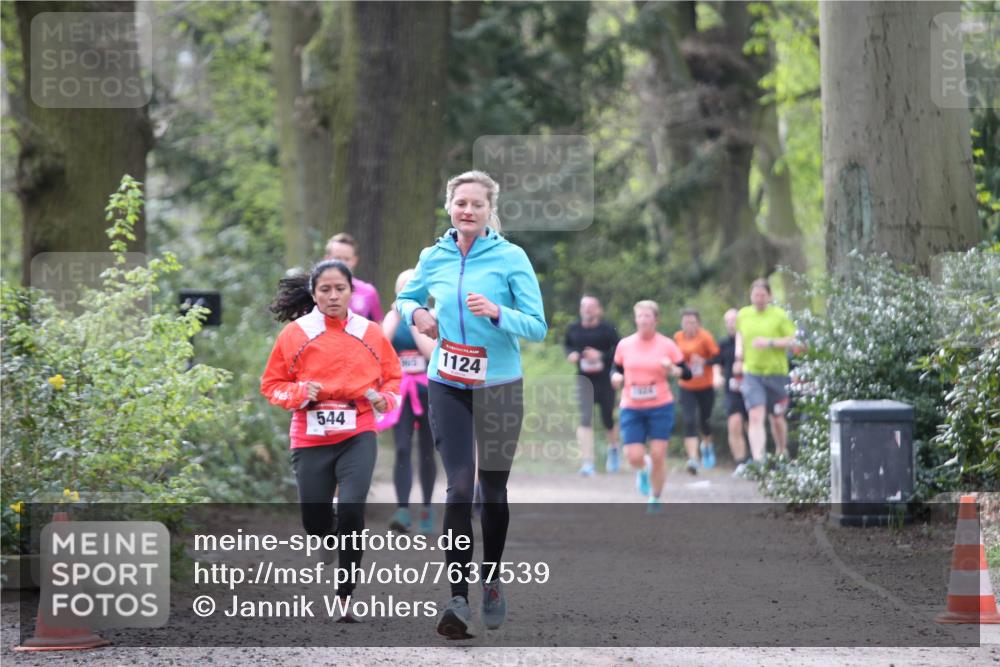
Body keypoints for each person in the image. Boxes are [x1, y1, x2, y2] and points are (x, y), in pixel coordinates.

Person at [396, 170, 546, 639]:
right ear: (449, 206)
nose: (468, 210)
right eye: (461, 202)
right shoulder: (433, 256)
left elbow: (538, 325)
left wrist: (498, 313)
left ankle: (492, 580)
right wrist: (417, 312)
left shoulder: (511, 257)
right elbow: (405, 297)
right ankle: (457, 599)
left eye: (477, 204)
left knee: (492, 492)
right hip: (448, 382)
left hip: (500, 384)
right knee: (460, 487)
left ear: (488, 210)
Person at [261, 260, 401, 622]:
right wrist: (299, 393)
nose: (333, 296)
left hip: (358, 431)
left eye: (340, 289)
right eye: (325, 289)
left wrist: (385, 400)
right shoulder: (295, 334)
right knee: (315, 522)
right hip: (310, 435)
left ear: (352, 292)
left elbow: (392, 378)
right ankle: (328, 531)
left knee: (353, 510)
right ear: (313, 293)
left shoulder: (370, 332)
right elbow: (272, 385)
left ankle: (345, 596)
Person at [611, 300, 691, 515]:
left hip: (660, 405)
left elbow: (686, 373)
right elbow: (615, 368)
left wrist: (673, 368)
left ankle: (655, 496)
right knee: (633, 456)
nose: (643, 320)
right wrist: (615, 376)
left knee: (658, 453)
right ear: (636, 319)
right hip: (631, 405)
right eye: (640, 316)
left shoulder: (667, 345)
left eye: (648, 316)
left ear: (656, 319)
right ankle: (643, 469)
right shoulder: (625, 344)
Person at [380, 269, 438, 534]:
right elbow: (380, 348)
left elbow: (430, 352)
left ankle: (427, 508)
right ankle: (402, 510)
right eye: (403, 289)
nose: (408, 292)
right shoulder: (392, 317)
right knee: (402, 448)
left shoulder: (433, 317)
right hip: (400, 392)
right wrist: (396, 315)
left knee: (427, 450)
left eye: (413, 287)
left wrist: (415, 318)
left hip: (429, 391)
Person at [733, 279, 797, 462]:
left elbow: (794, 340)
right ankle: (759, 459)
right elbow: (740, 335)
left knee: (777, 418)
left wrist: (770, 342)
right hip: (752, 372)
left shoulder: (779, 315)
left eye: (762, 295)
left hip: (776, 373)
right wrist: (739, 354)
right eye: (755, 295)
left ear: (769, 296)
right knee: (755, 414)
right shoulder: (743, 315)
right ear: (750, 296)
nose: (759, 298)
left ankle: (781, 451)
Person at [564, 295, 621, 476]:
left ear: (599, 310)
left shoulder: (608, 329)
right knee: (585, 418)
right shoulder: (573, 328)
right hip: (584, 380)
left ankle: (614, 450)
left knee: (607, 418)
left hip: (605, 380)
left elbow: (619, 352)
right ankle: (587, 461)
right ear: (580, 309)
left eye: (591, 306)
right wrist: (572, 354)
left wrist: (601, 356)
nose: (588, 310)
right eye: (584, 306)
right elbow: (568, 346)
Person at [673, 309, 720, 475]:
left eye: (692, 322)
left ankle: (706, 445)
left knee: (705, 421)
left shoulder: (705, 337)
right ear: (682, 323)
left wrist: (704, 361)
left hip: (705, 385)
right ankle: (693, 458)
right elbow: (674, 358)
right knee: (689, 420)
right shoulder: (678, 337)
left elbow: (717, 358)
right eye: (686, 322)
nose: (689, 325)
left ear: (698, 323)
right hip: (686, 386)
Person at [715, 308, 750, 474]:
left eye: (734, 320)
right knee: (734, 423)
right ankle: (740, 462)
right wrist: (716, 376)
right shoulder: (723, 344)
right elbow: (717, 363)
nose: (731, 324)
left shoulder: (750, 340)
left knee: (751, 424)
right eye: (728, 321)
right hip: (732, 389)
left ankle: (757, 459)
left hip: (752, 387)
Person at [324, 232, 384, 322]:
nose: (342, 263)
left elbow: (379, 327)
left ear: (354, 260)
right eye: (337, 258)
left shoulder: (368, 292)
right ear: (327, 259)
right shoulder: (316, 292)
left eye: (346, 259)